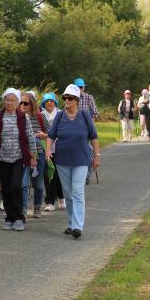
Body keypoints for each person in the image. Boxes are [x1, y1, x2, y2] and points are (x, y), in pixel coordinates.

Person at [46, 84, 100, 239]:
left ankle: (77, 226)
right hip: (62, 160)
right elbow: (51, 135)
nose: (67, 100)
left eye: (70, 98)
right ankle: (71, 223)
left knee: (77, 192)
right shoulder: (60, 116)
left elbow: (94, 136)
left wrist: (97, 156)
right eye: (65, 98)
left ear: (76, 100)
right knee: (68, 194)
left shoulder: (85, 116)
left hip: (81, 160)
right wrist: (48, 150)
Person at [0, 88, 37, 231]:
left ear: (17, 102)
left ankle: (19, 217)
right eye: (7, 100)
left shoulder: (22, 117)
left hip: (18, 158)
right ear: (4, 101)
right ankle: (9, 217)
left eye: (12, 100)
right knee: (6, 189)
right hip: (2, 158)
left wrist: (33, 156)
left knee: (16, 186)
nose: (9, 103)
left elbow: (30, 137)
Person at [19, 91, 47, 218]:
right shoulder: (17, 117)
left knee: (38, 183)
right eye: (21, 102)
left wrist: (43, 135)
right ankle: (23, 209)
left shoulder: (39, 116)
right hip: (22, 155)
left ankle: (37, 208)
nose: (23, 105)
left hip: (39, 153)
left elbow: (52, 133)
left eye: (26, 103)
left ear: (32, 104)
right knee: (23, 184)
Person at [41, 92, 65, 211]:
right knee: (48, 174)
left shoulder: (61, 114)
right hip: (45, 148)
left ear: (55, 102)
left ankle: (60, 197)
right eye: (47, 101)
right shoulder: (40, 115)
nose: (49, 103)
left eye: (51, 101)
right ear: (43, 103)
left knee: (58, 174)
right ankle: (50, 201)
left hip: (60, 148)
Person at [74, 77, 98, 184]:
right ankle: (78, 174)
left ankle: (86, 175)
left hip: (86, 129)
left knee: (87, 151)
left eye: (81, 87)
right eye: (77, 87)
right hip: (73, 129)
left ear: (84, 87)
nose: (79, 89)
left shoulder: (89, 98)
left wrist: (90, 125)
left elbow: (95, 112)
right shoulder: (71, 98)